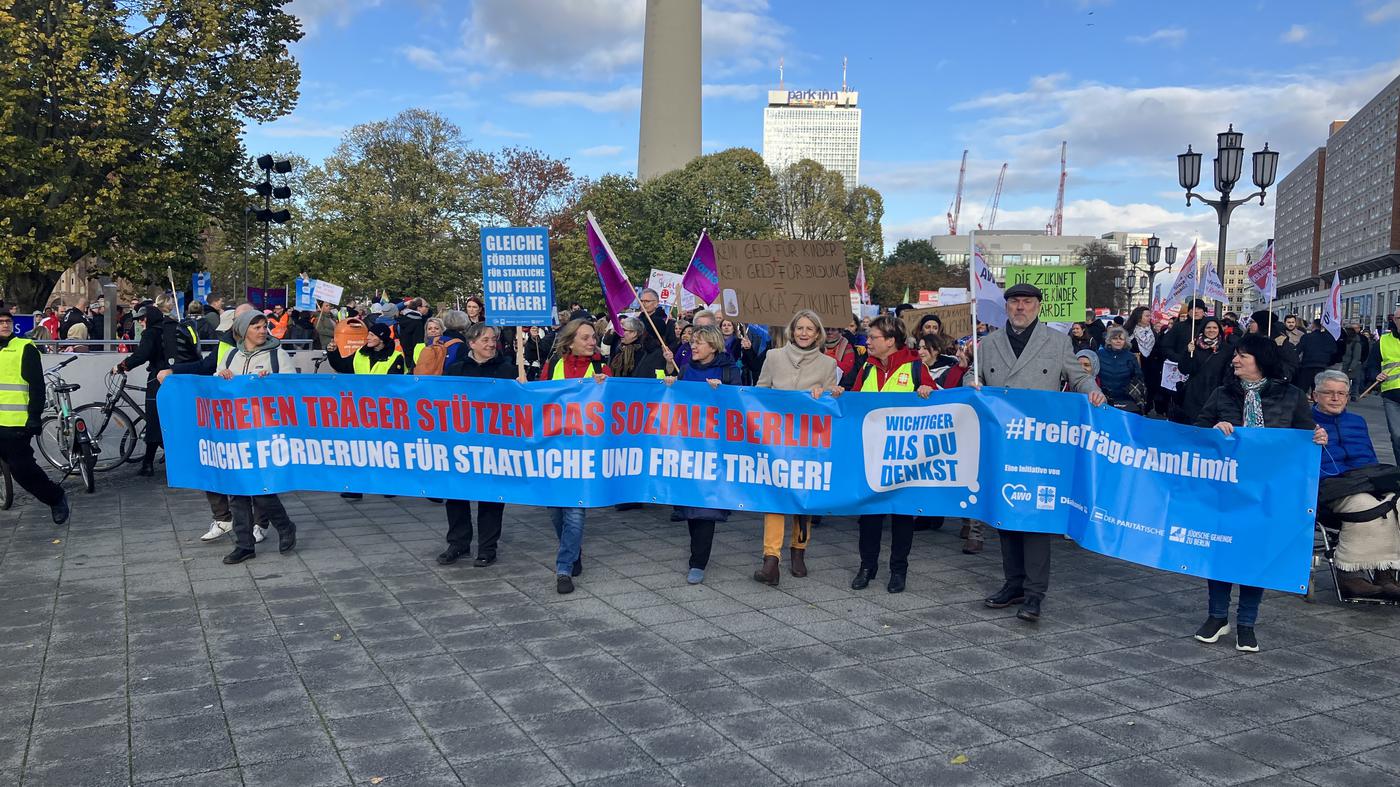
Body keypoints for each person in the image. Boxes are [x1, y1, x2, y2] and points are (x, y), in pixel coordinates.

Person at [964, 283, 1105, 622]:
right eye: (1014, 302)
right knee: (1006, 512)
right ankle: (1012, 584)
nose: (1020, 308)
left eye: (1027, 302)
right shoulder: (989, 342)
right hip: (1003, 441)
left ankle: (1034, 593)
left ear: (1038, 307)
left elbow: (1077, 377)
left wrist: (1093, 392)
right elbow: (974, 373)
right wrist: (971, 381)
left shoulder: (1056, 342)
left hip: (1039, 442)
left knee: (1036, 518)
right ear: (1006, 307)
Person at [1193, 335, 1324, 652]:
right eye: (1235, 356)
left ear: (1261, 361)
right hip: (1227, 487)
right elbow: (1196, 428)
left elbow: (1306, 435)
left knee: (1256, 552)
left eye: (1243, 355)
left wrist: (1317, 436)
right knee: (1221, 549)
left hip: (1270, 490)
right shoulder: (1223, 393)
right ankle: (1217, 616)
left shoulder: (1291, 396)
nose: (1235, 360)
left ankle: (1247, 623)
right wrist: (1213, 431)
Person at [843, 315, 940, 594]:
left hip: (903, 458)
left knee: (901, 516)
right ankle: (867, 566)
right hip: (872, 454)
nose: (868, 341)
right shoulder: (867, 368)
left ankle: (899, 569)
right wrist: (842, 393)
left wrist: (927, 391)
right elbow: (855, 402)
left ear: (890, 341)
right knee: (870, 515)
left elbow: (936, 407)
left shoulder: (915, 369)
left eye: (873, 337)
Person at [752, 310, 841, 585]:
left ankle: (798, 550)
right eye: (799, 328)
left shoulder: (828, 364)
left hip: (809, 442)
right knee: (775, 497)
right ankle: (771, 559)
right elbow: (760, 392)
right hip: (776, 441)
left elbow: (831, 404)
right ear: (792, 330)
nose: (804, 333)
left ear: (818, 334)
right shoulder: (773, 357)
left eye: (810, 329)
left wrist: (830, 394)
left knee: (804, 500)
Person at [212, 311, 298, 564]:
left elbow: (293, 388)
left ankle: (284, 526)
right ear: (242, 331)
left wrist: (272, 383)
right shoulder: (230, 355)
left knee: (260, 488)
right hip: (235, 430)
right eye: (257, 327)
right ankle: (244, 544)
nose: (263, 331)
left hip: (265, 432)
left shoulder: (276, 354)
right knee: (237, 489)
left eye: (264, 326)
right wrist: (222, 378)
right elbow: (216, 389)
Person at [661, 325, 741, 584]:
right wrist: (671, 385)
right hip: (688, 446)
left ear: (714, 346)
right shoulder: (685, 370)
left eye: (699, 343)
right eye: (693, 342)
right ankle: (697, 553)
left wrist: (724, 394)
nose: (693, 346)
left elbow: (741, 406)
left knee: (706, 506)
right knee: (690, 502)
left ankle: (698, 561)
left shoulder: (730, 371)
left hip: (715, 449)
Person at [440, 324, 522, 566]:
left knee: (491, 496)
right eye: (485, 339)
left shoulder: (507, 371)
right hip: (461, 442)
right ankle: (458, 543)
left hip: (493, 443)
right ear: (471, 343)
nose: (490, 344)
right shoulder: (455, 370)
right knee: (456, 494)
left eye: (493, 339)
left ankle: (487, 547)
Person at [540, 319, 609, 594]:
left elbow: (612, 405)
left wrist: (604, 387)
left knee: (575, 511)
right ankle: (572, 548)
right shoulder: (553, 367)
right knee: (556, 511)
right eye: (586, 337)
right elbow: (538, 401)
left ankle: (564, 567)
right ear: (570, 342)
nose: (592, 341)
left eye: (593, 337)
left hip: (583, 450)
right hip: (554, 446)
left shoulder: (601, 369)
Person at [114, 295, 201, 476]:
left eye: (141, 319)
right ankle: (183, 459)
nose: (140, 323)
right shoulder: (172, 326)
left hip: (159, 378)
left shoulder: (151, 332)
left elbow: (142, 355)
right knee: (176, 419)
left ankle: (148, 464)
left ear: (148, 318)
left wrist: (122, 366)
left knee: (154, 421)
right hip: (180, 376)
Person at [0, 310, 69, 524]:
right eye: (0, 322)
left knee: (22, 469)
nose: (5, 325)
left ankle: (55, 497)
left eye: (7, 322)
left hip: (15, 423)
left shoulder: (24, 348)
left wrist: (34, 417)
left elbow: (37, 387)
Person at [1176, 318, 1232, 427]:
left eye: (1215, 328)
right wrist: (1188, 353)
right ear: (1203, 329)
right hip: (1195, 391)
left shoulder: (1226, 349)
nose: (1211, 330)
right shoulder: (1194, 346)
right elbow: (1184, 369)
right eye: (1208, 327)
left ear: (1219, 330)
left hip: (1216, 390)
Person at [1096, 326, 1144, 411]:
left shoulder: (1131, 357)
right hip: (1102, 397)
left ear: (1125, 341)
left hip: (1124, 399)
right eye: (1115, 338)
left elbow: (1138, 376)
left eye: (1121, 339)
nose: (1118, 341)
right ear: (1109, 340)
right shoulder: (1100, 354)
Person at [1296, 319, 1338, 392]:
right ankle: (1317, 402)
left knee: (1303, 389)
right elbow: (1334, 351)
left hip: (1307, 365)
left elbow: (1298, 350)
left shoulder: (1307, 337)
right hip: (1322, 365)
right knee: (1318, 388)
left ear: (1313, 325)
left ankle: (1302, 402)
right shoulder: (1328, 338)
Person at [1342, 322, 1371, 399]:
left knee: (1356, 379)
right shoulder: (1345, 340)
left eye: (1356, 328)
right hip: (1346, 363)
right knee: (1345, 380)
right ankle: (1347, 394)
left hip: (1357, 362)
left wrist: (1360, 361)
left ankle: (1354, 394)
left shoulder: (1360, 340)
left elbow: (1363, 352)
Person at [398, 298, 427, 369]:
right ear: (419, 308)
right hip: (414, 359)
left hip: (403, 355)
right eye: (426, 306)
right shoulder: (418, 322)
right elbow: (418, 342)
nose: (427, 308)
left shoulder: (403, 319)